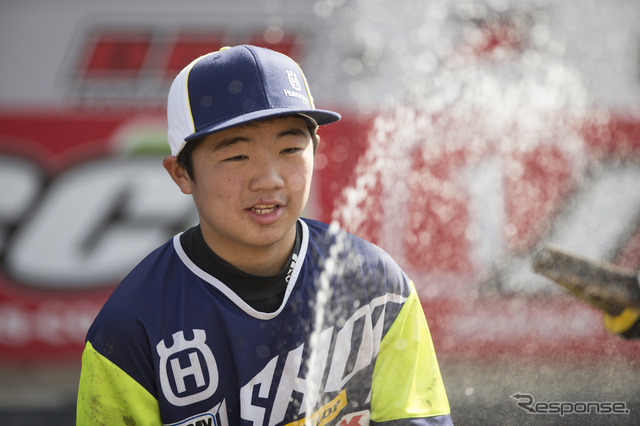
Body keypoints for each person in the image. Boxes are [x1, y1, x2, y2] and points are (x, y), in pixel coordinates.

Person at [76, 45, 453, 425]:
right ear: (181, 173)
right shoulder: (131, 326)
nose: (269, 179)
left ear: (315, 150)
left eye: (290, 149)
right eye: (237, 156)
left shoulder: (374, 283)